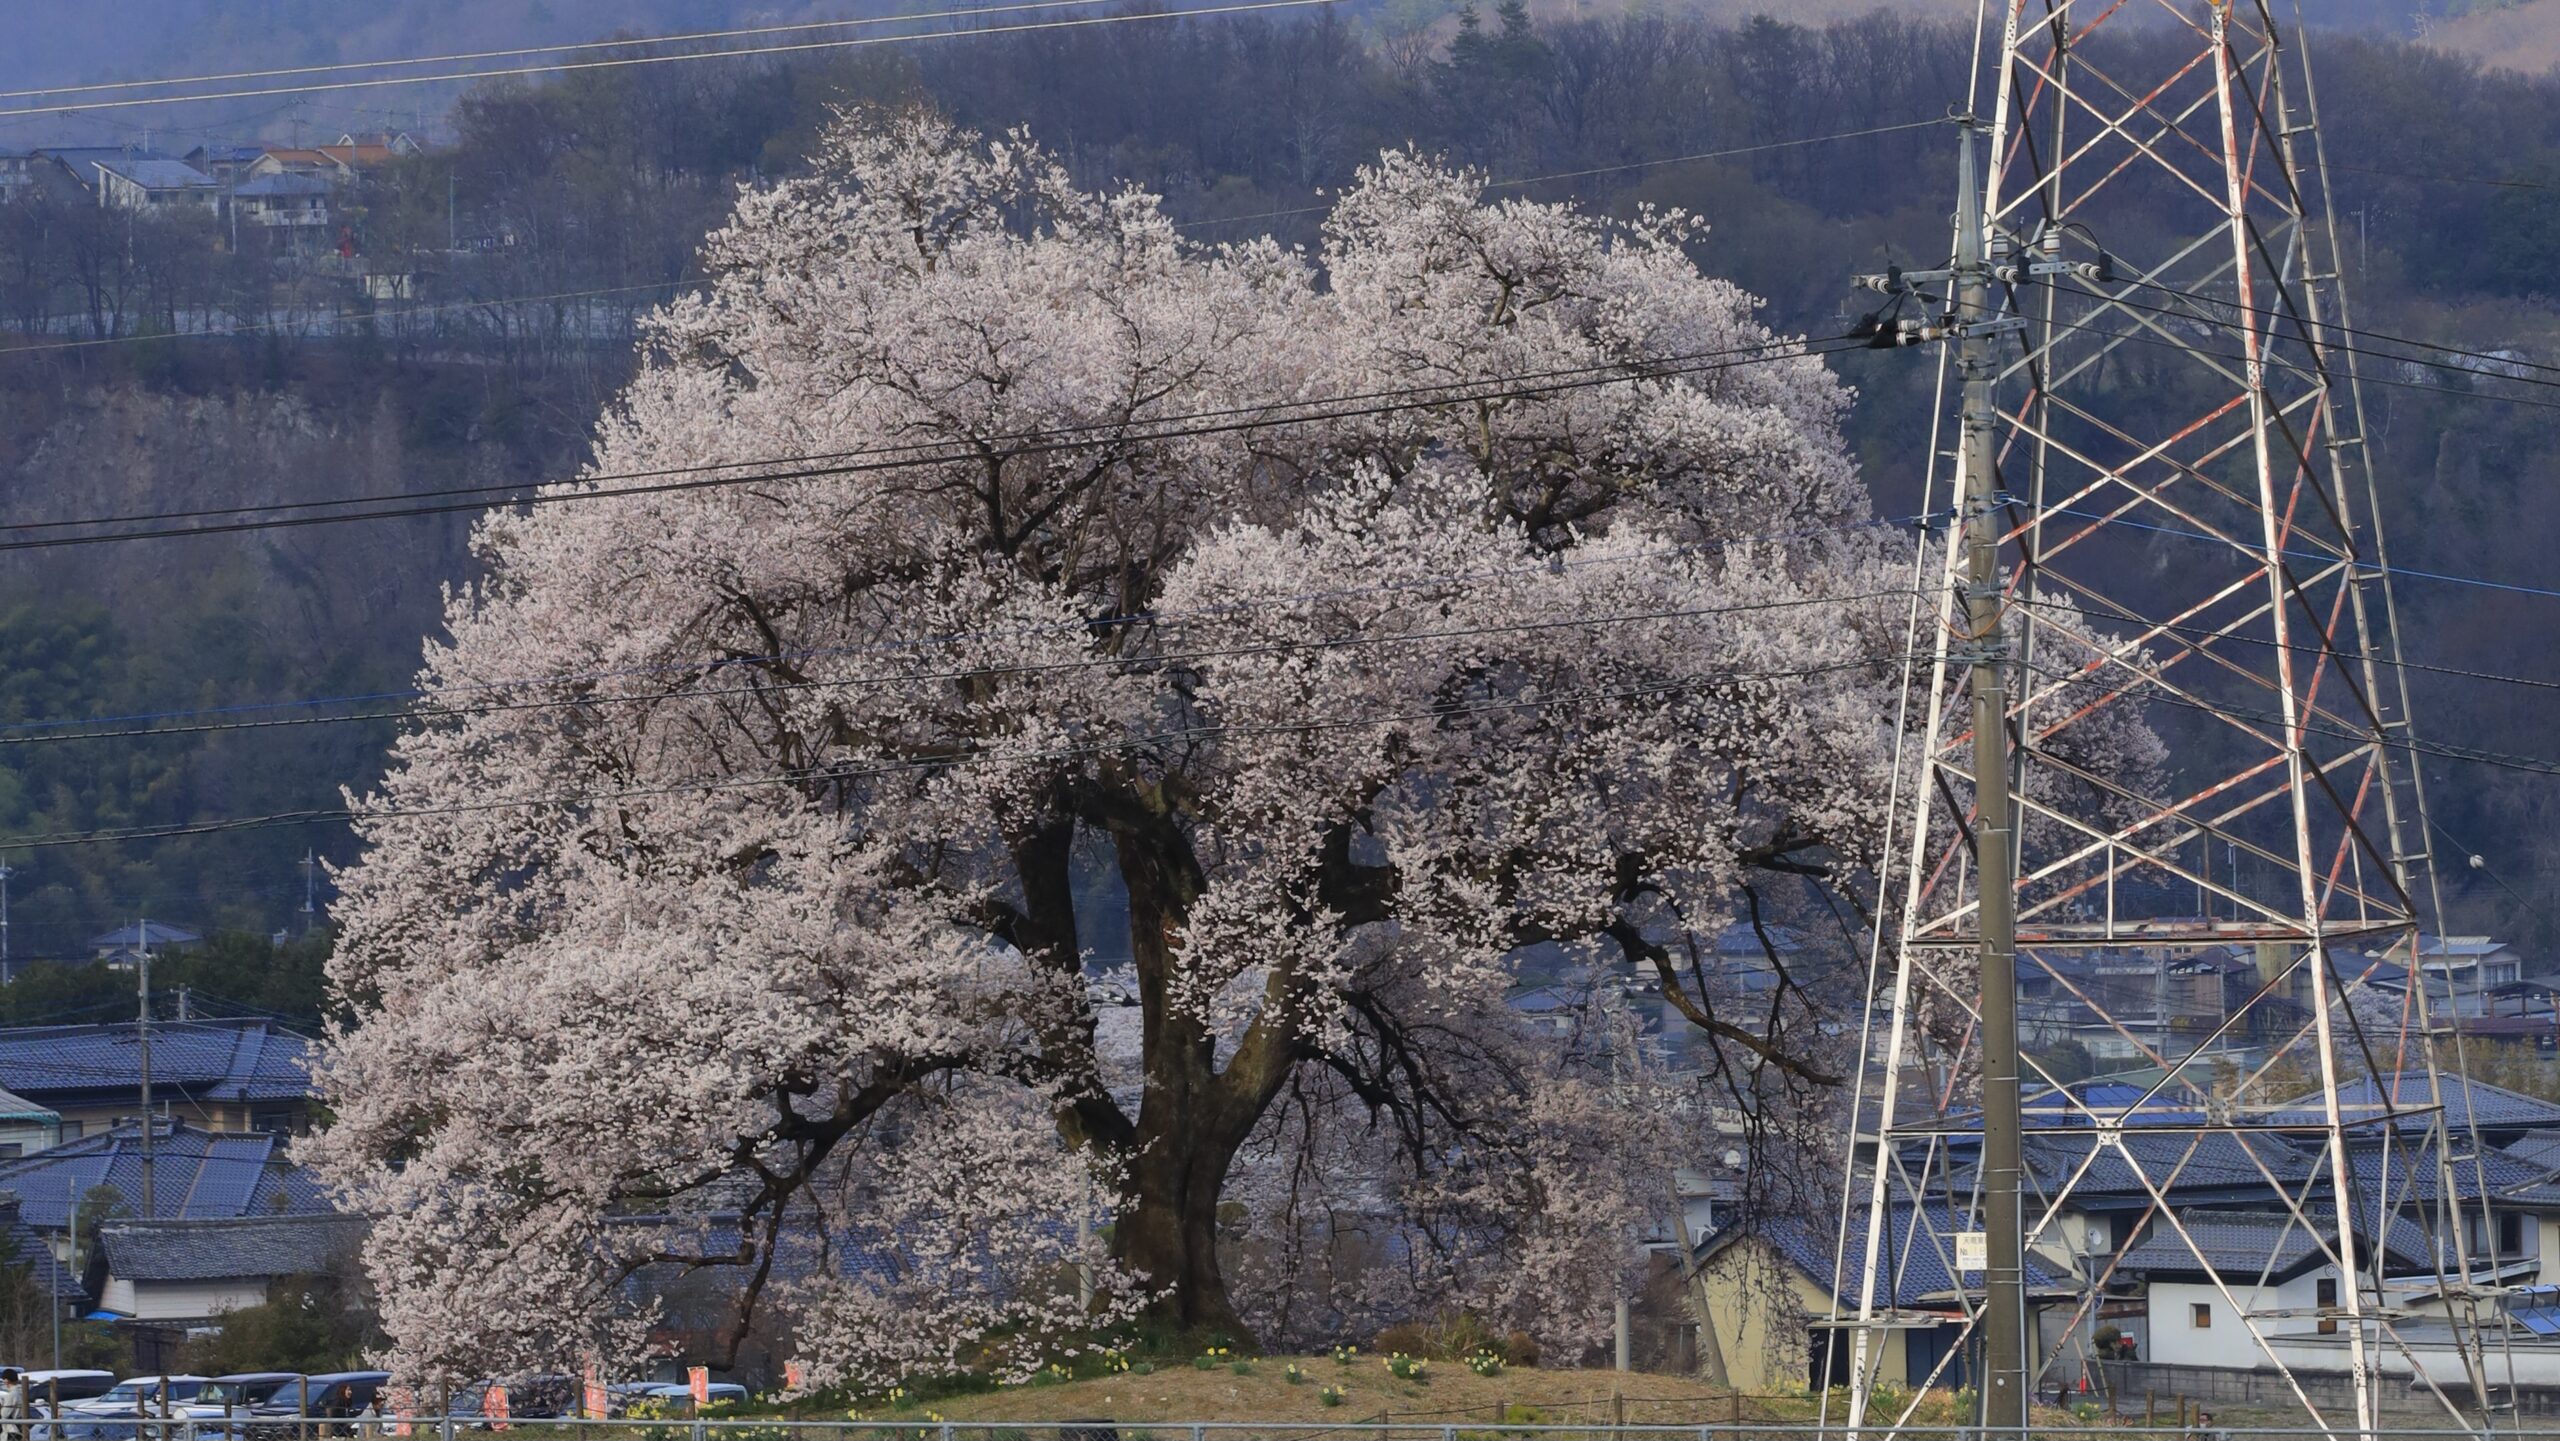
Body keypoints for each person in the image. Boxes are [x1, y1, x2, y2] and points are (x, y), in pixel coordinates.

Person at [0, 1367, 25, 1441]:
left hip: (11, 1431)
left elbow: (4, 1414)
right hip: (18, 1428)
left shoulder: (11, 1395)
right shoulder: (20, 1392)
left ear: (6, 1380)